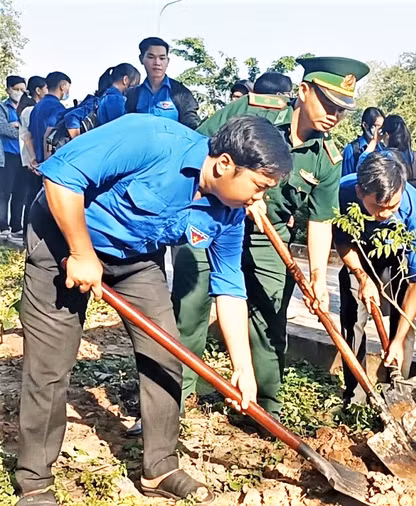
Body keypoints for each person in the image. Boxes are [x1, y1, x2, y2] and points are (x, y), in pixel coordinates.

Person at [14, 114, 292, 506]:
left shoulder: (230, 212)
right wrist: (80, 252)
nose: (258, 200)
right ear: (225, 163)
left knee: (164, 353)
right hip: (62, 237)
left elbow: (229, 288)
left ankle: (160, 466)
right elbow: (61, 176)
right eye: (258, 187)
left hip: (136, 258)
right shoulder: (150, 139)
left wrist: (244, 370)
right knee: (50, 364)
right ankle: (35, 481)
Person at [171, 58, 370, 419]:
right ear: (304, 91)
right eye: (328, 104)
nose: (333, 116)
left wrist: (317, 279)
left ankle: (263, 406)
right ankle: (176, 398)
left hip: (270, 235)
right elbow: (200, 149)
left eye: (342, 110)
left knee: (270, 315)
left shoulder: (327, 159)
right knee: (191, 304)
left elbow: (320, 220)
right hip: (211, 217)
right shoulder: (251, 109)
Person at [334, 152, 416, 403]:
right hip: (359, 255)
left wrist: (396, 340)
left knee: (403, 324)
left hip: (399, 257)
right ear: (360, 192)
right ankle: (355, 396)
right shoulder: (343, 193)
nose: (387, 213)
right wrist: (362, 277)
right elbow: (342, 242)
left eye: (393, 206)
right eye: (379, 207)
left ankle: (398, 394)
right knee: (353, 318)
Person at [126, 37, 200, 128]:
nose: (157, 62)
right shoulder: (133, 95)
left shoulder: (181, 93)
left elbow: (192, 127)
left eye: (162, 58)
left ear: (167, 61)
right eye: (151, 57)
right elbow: (127, 127)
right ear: (141, 59)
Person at [359, 114, 416, 204]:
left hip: (398, 204)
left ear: (386, 135)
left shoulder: (386, 156)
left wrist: (374, 141)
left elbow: (361, 166)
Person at [12, 77, 46, 236]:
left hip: (30, 160)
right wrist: (34, 159)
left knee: (30, 196)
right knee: (32, 197)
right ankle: (28, 233)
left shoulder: (31, 108)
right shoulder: (31, 110)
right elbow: (28, 137)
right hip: (32, 161)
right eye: (46, 88)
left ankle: (27, 232)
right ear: (39, 91)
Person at [1, 75, 25, 241]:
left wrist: (18, 127)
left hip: (23, 156)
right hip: (7, 156)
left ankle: (16, 226)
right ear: (8, 89)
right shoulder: (3, 108)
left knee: (20, 193)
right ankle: (2, 226)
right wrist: (22, 132)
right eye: (16, 89)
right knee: (4, 193)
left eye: (23, 90)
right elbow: (3, 129)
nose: (19, 93)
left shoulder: (26, 108)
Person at [28, 72, 70, 166]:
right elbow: (49, 136)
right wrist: (48, 163)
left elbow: (29, 136)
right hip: (50, 163)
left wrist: (34, 159)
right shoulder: (57, 107)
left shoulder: (37, 107)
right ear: (62, 86)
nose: (68, 91)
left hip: (38, 163)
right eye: (68, 87)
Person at [342, 106, 384, 176]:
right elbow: (346, 180)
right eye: (377, 126)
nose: (380, 131)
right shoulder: (351, 150)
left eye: (382, 127)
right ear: (365, 125)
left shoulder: (383, 148)